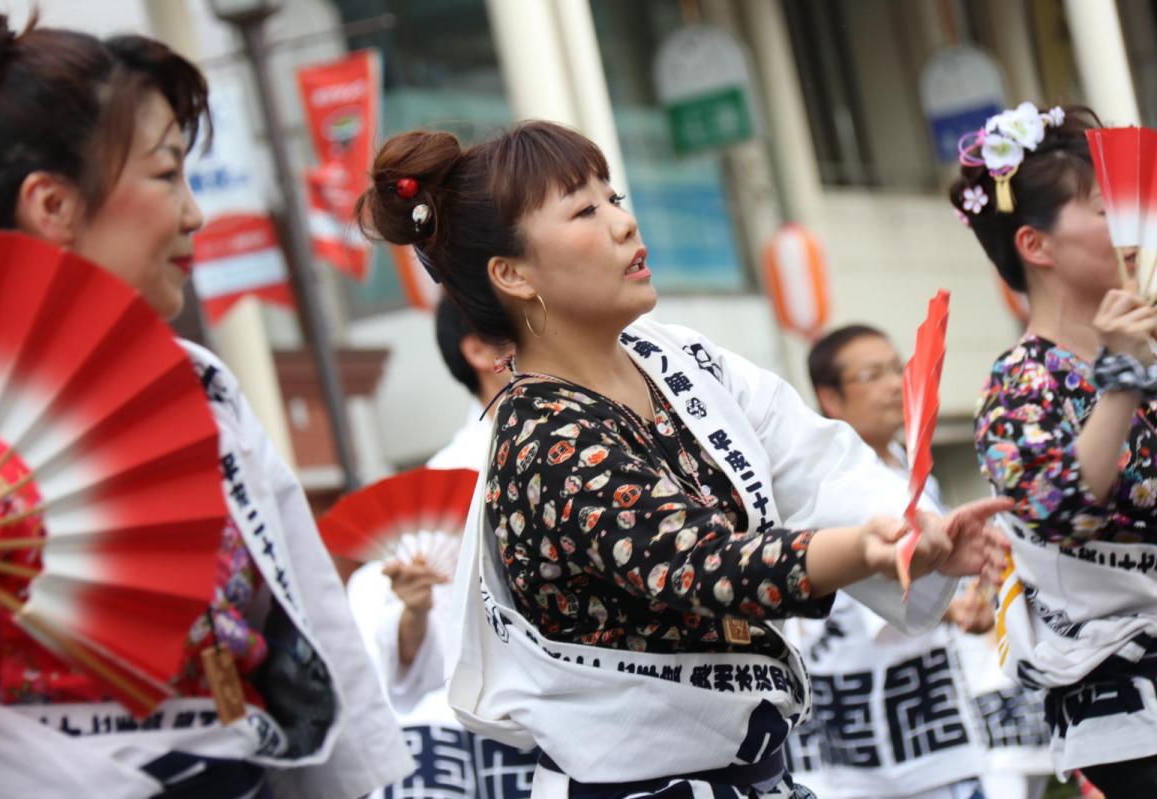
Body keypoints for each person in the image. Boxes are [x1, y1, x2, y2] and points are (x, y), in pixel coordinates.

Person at [355, 120, 1010, 799]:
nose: (623, 223)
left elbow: (814, 461)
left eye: (615, 197)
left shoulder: (680, 361)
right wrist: (865, 548)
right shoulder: (543, 436)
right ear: (512, 274)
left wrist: (913, 534)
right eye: (585, 209)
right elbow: (697, 563)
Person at [0, 3, 412, 796]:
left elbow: (311, 619)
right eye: (167, 174)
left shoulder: (203, 387)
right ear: (53, 205)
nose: (194, 212)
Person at [953, 101, 1157, 796]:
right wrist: (1123, 380)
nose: (1128, 223)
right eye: (1104, 209)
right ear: (1036, 245)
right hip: (1127, 709)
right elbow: (1061, 506)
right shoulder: (1019, 381)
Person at [782, 324, 1050, 799]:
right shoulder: (821, 484)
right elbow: (863, 577)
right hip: (857, 710)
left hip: (927, 704)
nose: (891, 385)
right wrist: (951, 608)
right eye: (871, 374)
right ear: (831, 397)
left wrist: (972, 602)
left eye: (895, 368)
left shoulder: (913, 472)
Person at [346, 295, 536, 798]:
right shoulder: (441, 487)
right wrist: (413, 613)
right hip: (497, 732)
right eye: (523, 327)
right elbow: (422, 664)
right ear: (477, 350)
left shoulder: (605, 443)